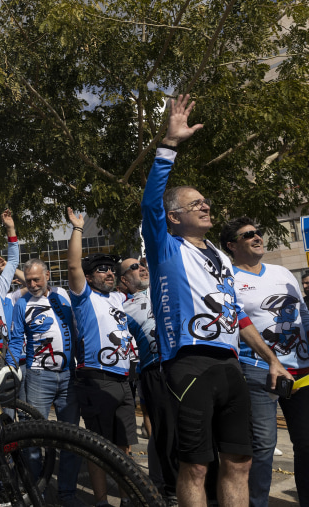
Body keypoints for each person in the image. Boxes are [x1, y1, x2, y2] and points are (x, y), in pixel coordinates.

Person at [140, 94, 291, 506]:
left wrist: (271, 357)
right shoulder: (166, 247)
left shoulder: (220, 256)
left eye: (206, 201)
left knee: (240, 460)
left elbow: (237, 315)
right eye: (195, 203)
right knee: (196, 465)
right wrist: (169, 144)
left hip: (231, 364)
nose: (206, 205)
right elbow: (150, 203)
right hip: (188, 363)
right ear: (175, 217)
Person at [220, 217, 309, 506]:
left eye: (258, 232)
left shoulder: (283, 272)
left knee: (306, 444)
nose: (257, 237)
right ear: (232, 245)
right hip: (260, 374)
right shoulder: (228, 280)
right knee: (263, 448)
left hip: (301, 373)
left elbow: (303, 315)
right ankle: (257, 502)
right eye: (248, 235)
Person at [66, 211, 136, 506]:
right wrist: (78, 228)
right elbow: (72, 265)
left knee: (124, 447)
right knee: (98, 447)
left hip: (124, 381)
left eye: (112, 270)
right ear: (90, 277)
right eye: (102, 270)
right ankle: (101, 501)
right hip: (97, 378)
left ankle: (129, 499)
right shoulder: (83, 296)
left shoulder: (120, 298)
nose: (109, 273)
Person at [8, 258, 82, 506]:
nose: (33, 284)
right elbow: (16, 339)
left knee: (71, 438)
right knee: (33, 438)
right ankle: (36, 492)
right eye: (28, 280)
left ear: (47, 276)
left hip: (69, 376)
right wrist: (10, 367)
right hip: (38, 376)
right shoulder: (21, 303)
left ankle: (67, 493)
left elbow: (77, 327)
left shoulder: (62, 295)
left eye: (37, 279)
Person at [121, 258, 178, 502]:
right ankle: (167, 490)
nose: (141, 267)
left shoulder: (166, 288)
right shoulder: (122, 308)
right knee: (164, 432)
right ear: (124, 280)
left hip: (183, 364)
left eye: (142, 264)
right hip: (154, 370)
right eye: (134, 267)